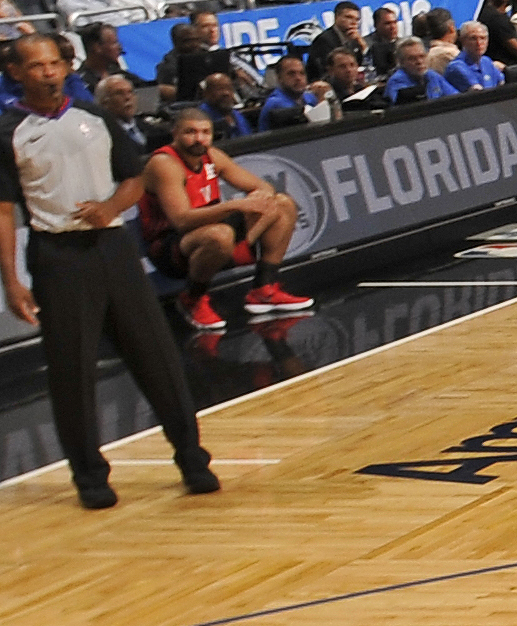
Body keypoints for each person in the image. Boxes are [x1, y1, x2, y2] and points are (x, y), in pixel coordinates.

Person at [2, 33, 216, 508]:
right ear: (16, 72)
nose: (48, 72)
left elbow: (135, 177)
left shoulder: (94, 117)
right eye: (37, 65)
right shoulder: (8, 130)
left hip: (114, 246)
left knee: (156, 355)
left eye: (55, 63)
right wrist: (12, 280)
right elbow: (2, 211)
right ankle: (91, 476)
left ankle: (192, 458)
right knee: (71, 371)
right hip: (56, 256)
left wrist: (110, 206)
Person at [144, 103, 311, 331]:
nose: (199, 139)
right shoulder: (165, 163)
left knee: (282, 204)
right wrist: (237, 205)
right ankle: (191, 300)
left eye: (205, 132)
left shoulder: (212, 156)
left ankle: (264, 289)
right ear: (175, 134)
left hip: (210, 228)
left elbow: (261, 186)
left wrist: (259, 200)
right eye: (190, 132)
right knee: (220, 234)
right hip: (169, 245)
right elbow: (181, 221)